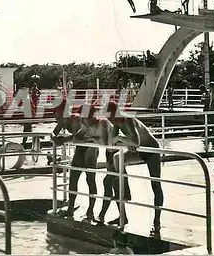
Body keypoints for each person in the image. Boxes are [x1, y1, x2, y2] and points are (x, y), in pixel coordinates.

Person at [106, 101, 164, 237]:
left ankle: (157, 220)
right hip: (139, 151)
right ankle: (125, 195)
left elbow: (136, 142)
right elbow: (111, 143)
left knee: (155, 184)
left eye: (110, 117)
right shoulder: (116, 124)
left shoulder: (128, 120)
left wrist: (123, 138)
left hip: (151, 150)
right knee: (117, 158)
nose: (109, 120)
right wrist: (126, 141)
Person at [51, 101, 99, 221]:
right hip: (80, 147)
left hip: (90, 147)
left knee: (90, 179)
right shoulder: (63, 122)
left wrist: (62, 140)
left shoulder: (77, 119)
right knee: (73, 178)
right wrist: (54, 137)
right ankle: (71, 208)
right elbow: (55, 132)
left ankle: (91, 210)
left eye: (57, 115)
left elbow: (78, 136)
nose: (55, 118)